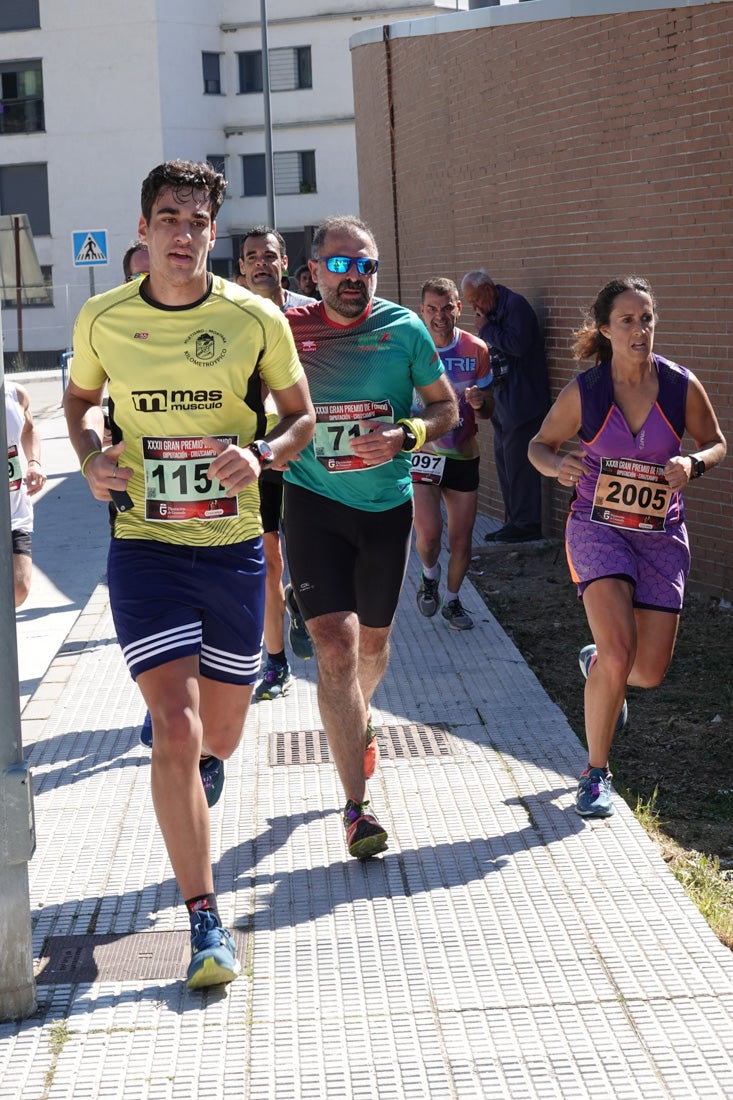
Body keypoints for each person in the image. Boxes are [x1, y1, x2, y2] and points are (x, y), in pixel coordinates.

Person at [63, 160, 314, 989]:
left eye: (197, 220)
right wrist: (94, 456)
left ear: (215, 232)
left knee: (222, 736)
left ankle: (201, 764)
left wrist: (263, 455)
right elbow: (76, 402)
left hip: (234, 548)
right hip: (145, 545)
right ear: (143, 229)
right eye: (167, 216)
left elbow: (299, 415)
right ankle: (207, 922)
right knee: (173, 728)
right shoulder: (102, 318)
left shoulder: (254, 318)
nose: (182, 231)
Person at [284, 215, 458, 860]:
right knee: (335, 647)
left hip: (386, 508)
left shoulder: (402, 329)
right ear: (313, 272)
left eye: (366, 266)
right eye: (339, 265)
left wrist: (408, 433)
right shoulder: (290, 331)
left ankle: (355, 718)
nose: (354, 277)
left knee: (373, 651)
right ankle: (357, 808)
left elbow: (447, 409)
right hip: (313, 504)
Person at [528, 276, 726, 818]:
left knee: (648, 671)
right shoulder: (586, 392)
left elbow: (716, 443)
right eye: (628, 320)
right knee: (620, 651)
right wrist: (558, 465)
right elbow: (539, 446)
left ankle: (596, 663)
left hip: (661, 535)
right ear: (605, 329)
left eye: (647, 319)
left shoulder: (680, 385)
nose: (640, 329)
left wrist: (693, 463)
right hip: (598, 529)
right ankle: (595, 775)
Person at [239, 225, 316, 700]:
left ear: (284, 262)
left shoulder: (308, 317)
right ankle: (275, 662)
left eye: (269, 255)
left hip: (305, 453)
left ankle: (300, 600)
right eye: (252, 256)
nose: (261, 262)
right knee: (269, 560)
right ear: (242, 266)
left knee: (309, 558)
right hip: (257, 456)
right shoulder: (230, 315)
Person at [413, 277, 494, 630]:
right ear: (422, 311)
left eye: (447, 308)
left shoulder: (476, 349)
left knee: (462, 539)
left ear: (459, 308)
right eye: (432, 308)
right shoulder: (413, 348)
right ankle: (429, 575)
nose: (440, 316)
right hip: (424, 456)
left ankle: (453, 601)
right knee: (429, 535)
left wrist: (481, 401)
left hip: (463, 455)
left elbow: (489, 409)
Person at [461, 269, 550, 542]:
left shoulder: (515, 306)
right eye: (471, 303)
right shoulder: (493, 310)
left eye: (477, 300)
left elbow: (518, 345)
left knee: (519, 462)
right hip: (502, 395)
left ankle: (526, 524)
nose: (475, 308)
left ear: (489, 290)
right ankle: (513, 520)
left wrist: (486, 328)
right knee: (504, 460)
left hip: (523, 398)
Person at [6, 380, 46, 606]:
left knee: (19, 587)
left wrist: (34, 463)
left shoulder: (16, 394)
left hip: (14, 509)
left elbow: (29, 429)